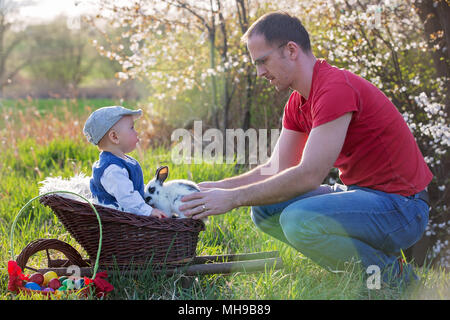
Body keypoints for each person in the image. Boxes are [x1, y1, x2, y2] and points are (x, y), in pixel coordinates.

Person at [180, 11, 432, 286]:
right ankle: (361, 262)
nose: (260, 72)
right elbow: (276, 168)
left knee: (298, 220)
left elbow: (309, 175)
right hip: (363, 195)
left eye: (262, 61)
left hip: (403, 207)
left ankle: (396, 279)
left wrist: (233, 199)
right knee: (265, 209)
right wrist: (219, 188)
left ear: (291, 50)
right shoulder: (297, 102)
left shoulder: (334, 88)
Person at [83, 106, 166, 218]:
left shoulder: (124, 161)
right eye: (132, 128)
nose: (136, 132)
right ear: (114, 137)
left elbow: (133, 188)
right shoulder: (112, 169)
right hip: (116, 218)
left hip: (130, 211)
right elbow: (127, 197)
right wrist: (148, 211)